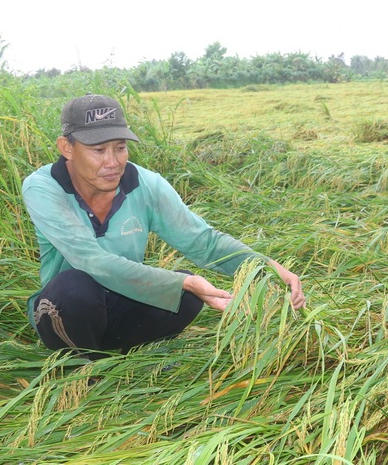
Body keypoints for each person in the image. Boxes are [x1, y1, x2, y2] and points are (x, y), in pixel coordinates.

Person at [22, 94, 305, 360]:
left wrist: (268, 268)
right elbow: (91, 260)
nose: (113, 162)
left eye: (120, 148)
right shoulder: (44, 187)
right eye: (98, 150)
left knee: (186, 296)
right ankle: (82, 364)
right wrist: (182, 281)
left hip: (123, 301)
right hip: (66, 312)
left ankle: (120, 352)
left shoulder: (146, 184)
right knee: (75, 287)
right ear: (66, 148)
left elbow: (203, 242)